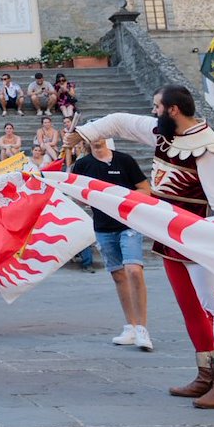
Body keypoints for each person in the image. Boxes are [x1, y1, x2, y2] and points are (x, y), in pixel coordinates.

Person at [68, 84, 214, 408]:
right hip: (170, 239)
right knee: (190, 309)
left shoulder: (211, 149)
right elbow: (120, 121)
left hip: (200, 242)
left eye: (157, 107)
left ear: (173, 110)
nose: (153, 112)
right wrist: (81, 133)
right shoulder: (165, 135)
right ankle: (206, 374)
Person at [70, 137, 153, 350]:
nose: (96, 140)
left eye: (100, 135)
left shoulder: (124, 160)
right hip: (103, 227)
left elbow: (145, 189)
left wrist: (120, 197)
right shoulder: (82, 164)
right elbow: (79, 197)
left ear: (106, 138)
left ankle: (143, 329)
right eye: (92, 136)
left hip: (129, 223)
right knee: (118, 275)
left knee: (134, 270)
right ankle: (131, 326)